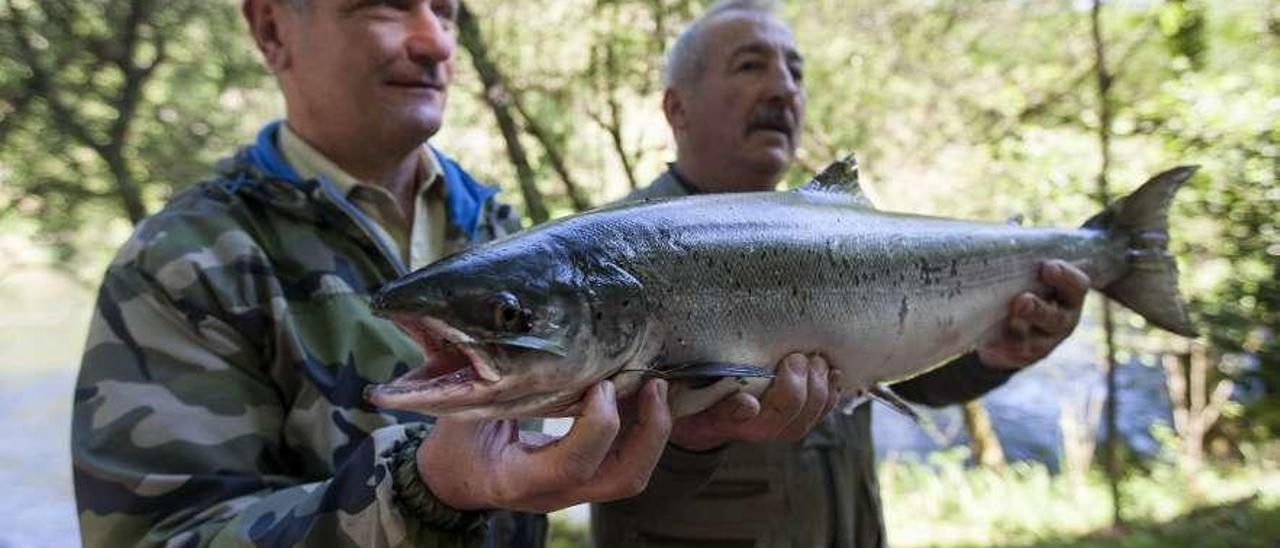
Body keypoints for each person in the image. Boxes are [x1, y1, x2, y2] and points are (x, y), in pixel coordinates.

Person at [70, 0, 839, 546]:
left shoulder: (506, 233)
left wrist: (685, 439)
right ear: (272, 27)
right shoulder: (181, 265)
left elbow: (585, 476)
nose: (433, 40)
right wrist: (421, 492)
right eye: (385, 6)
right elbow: (160, 536)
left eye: (446, 8)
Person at [590, 1, 1092, 547]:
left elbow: (912, 375)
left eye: (796, 71)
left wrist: (998, 356)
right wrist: (691, 442)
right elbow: (569, 472)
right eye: (751, 65)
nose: (784, 89)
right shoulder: (601, 263)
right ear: (676, 108)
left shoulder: (839, 239)